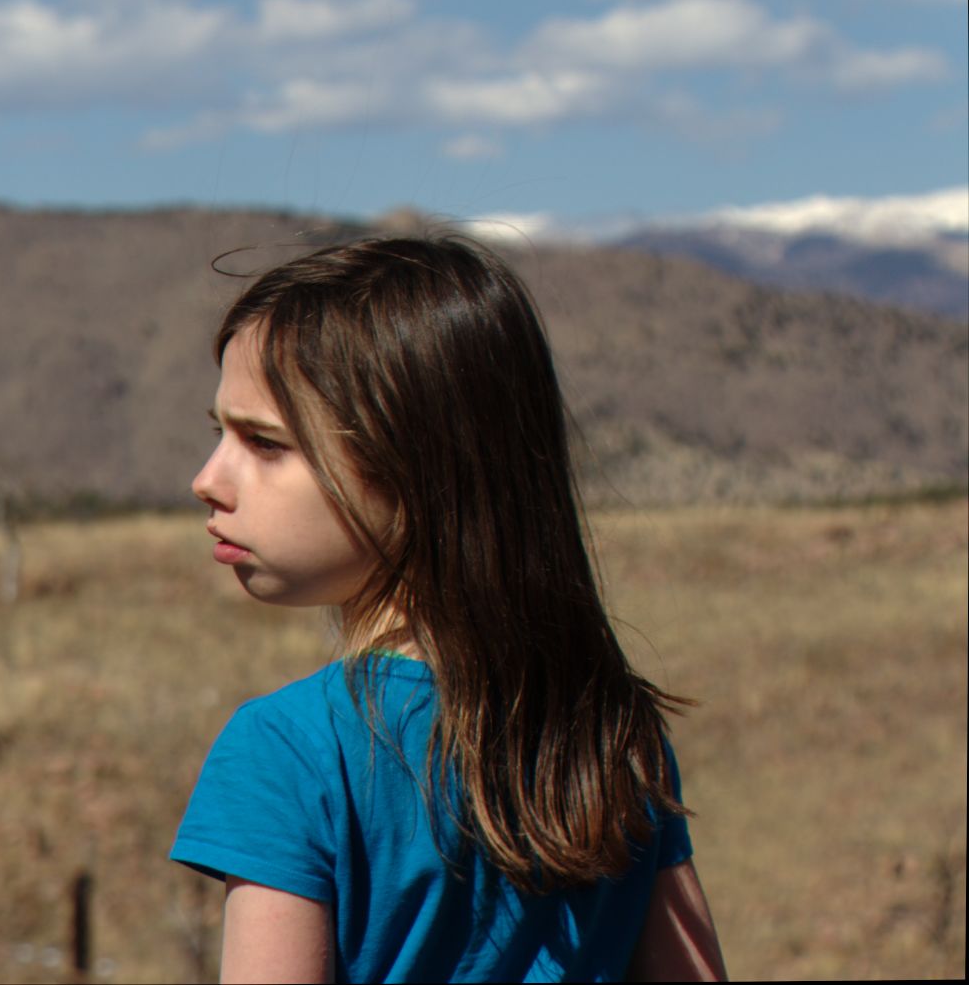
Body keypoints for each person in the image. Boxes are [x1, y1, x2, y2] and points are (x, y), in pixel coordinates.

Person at [169, 234, 727, 983]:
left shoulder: (290, 749)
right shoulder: (611, 728)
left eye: (264, 443)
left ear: (416, 466)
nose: (209, 479)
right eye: (219, 434)